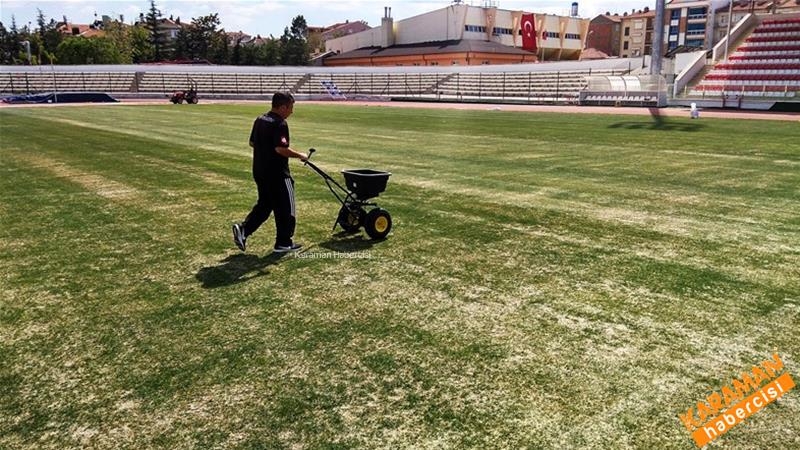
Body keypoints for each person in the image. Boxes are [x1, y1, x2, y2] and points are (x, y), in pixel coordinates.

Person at [232, 92, 308, 253]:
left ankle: (244, 230)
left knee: (265, 205)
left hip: (260, 170)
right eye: (290, 108)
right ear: (282, 107)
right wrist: (300, 155)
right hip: (278, 174)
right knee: (286, 207)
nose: (291, 112)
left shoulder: (260, 119)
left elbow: (252, 143)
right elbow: (281, 148)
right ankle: (284, 242)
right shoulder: (280, 124)